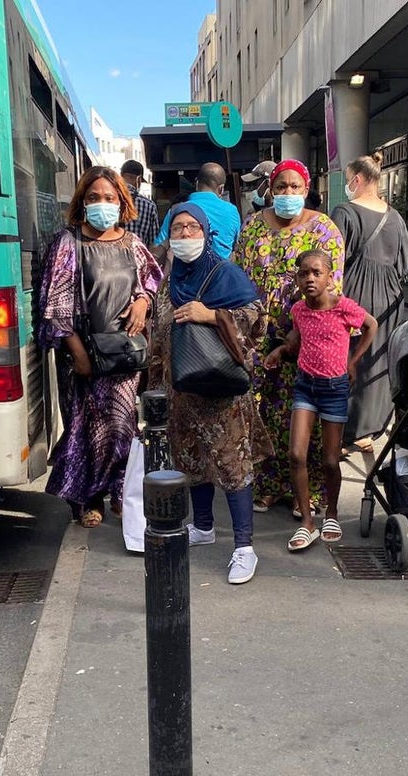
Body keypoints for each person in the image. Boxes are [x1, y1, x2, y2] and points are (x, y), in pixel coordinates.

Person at [145, 203, 271, 583]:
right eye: (178, 228)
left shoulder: (224, 273)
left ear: (206, 233)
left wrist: (212, 315)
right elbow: (159, 331)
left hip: (220, 394)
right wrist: (153, 385)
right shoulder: (170, 280)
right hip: (180, 391)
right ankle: (202, 526)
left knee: (232, 465)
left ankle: (244, 548)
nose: (184, 235)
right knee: (191, 460)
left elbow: (258, 317)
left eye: (191, 228)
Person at [37, 166, 162, 528]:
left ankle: (121, 489)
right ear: (82, 202)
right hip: (83, 355)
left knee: (122, 427)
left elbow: (151, 282)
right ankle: (88, 497)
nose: (102, 204)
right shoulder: (68, 243)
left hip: (122, 354)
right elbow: (55, 304)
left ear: (122, 202)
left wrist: (142, 303)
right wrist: (77, 353)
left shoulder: (132, 243)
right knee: (85, 428)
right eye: (94, 198)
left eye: (109, 198)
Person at [235, 158, 346, 515]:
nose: (287, 194)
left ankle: (308, 491)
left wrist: (299, 335)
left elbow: (334, 287)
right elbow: (238, 276)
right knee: (261, 411)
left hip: (308, 338)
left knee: (305, 415)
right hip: (256, 337)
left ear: (307, 189)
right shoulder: (252, 226)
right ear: (270, 190)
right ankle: (268, 485)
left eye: (295, 188)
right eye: (280, 187)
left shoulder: (324, 229)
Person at [263, 249, 377, 551]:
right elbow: (296, 338)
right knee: (296, 454)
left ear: (330, 276)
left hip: (335, 389)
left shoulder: (343, 308)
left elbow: (371, 326)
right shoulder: (299, 310)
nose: (310, 278)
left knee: (329, 459)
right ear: (297, 278)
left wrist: (353, 360)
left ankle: (332, 513)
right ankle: (307, 521)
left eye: (316, 272)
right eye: (304, 273)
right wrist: (281, 351)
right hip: (305, 387)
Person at [329, 152, 408, 455]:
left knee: (346, 361)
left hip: (354, 296)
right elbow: (405, 263)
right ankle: (367, 432)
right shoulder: (396, 217)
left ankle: (341, 432)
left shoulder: (344, 212)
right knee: (377, 362)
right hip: (390, 297)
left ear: (358, 179)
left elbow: (333, 259)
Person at [155, 162, 241, 259]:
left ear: (196, 183)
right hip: (222, 272)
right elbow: (235, 245)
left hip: (185, 272)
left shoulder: (178, 210)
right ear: (221, 189)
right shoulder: (232, 211)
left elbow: (159, 246)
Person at [119, 159, 160, 247]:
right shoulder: (149, 205)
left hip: (111, 257)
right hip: (139, 258)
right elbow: (153, 240)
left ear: (120, 176)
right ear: (138, 180)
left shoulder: (110, 200)